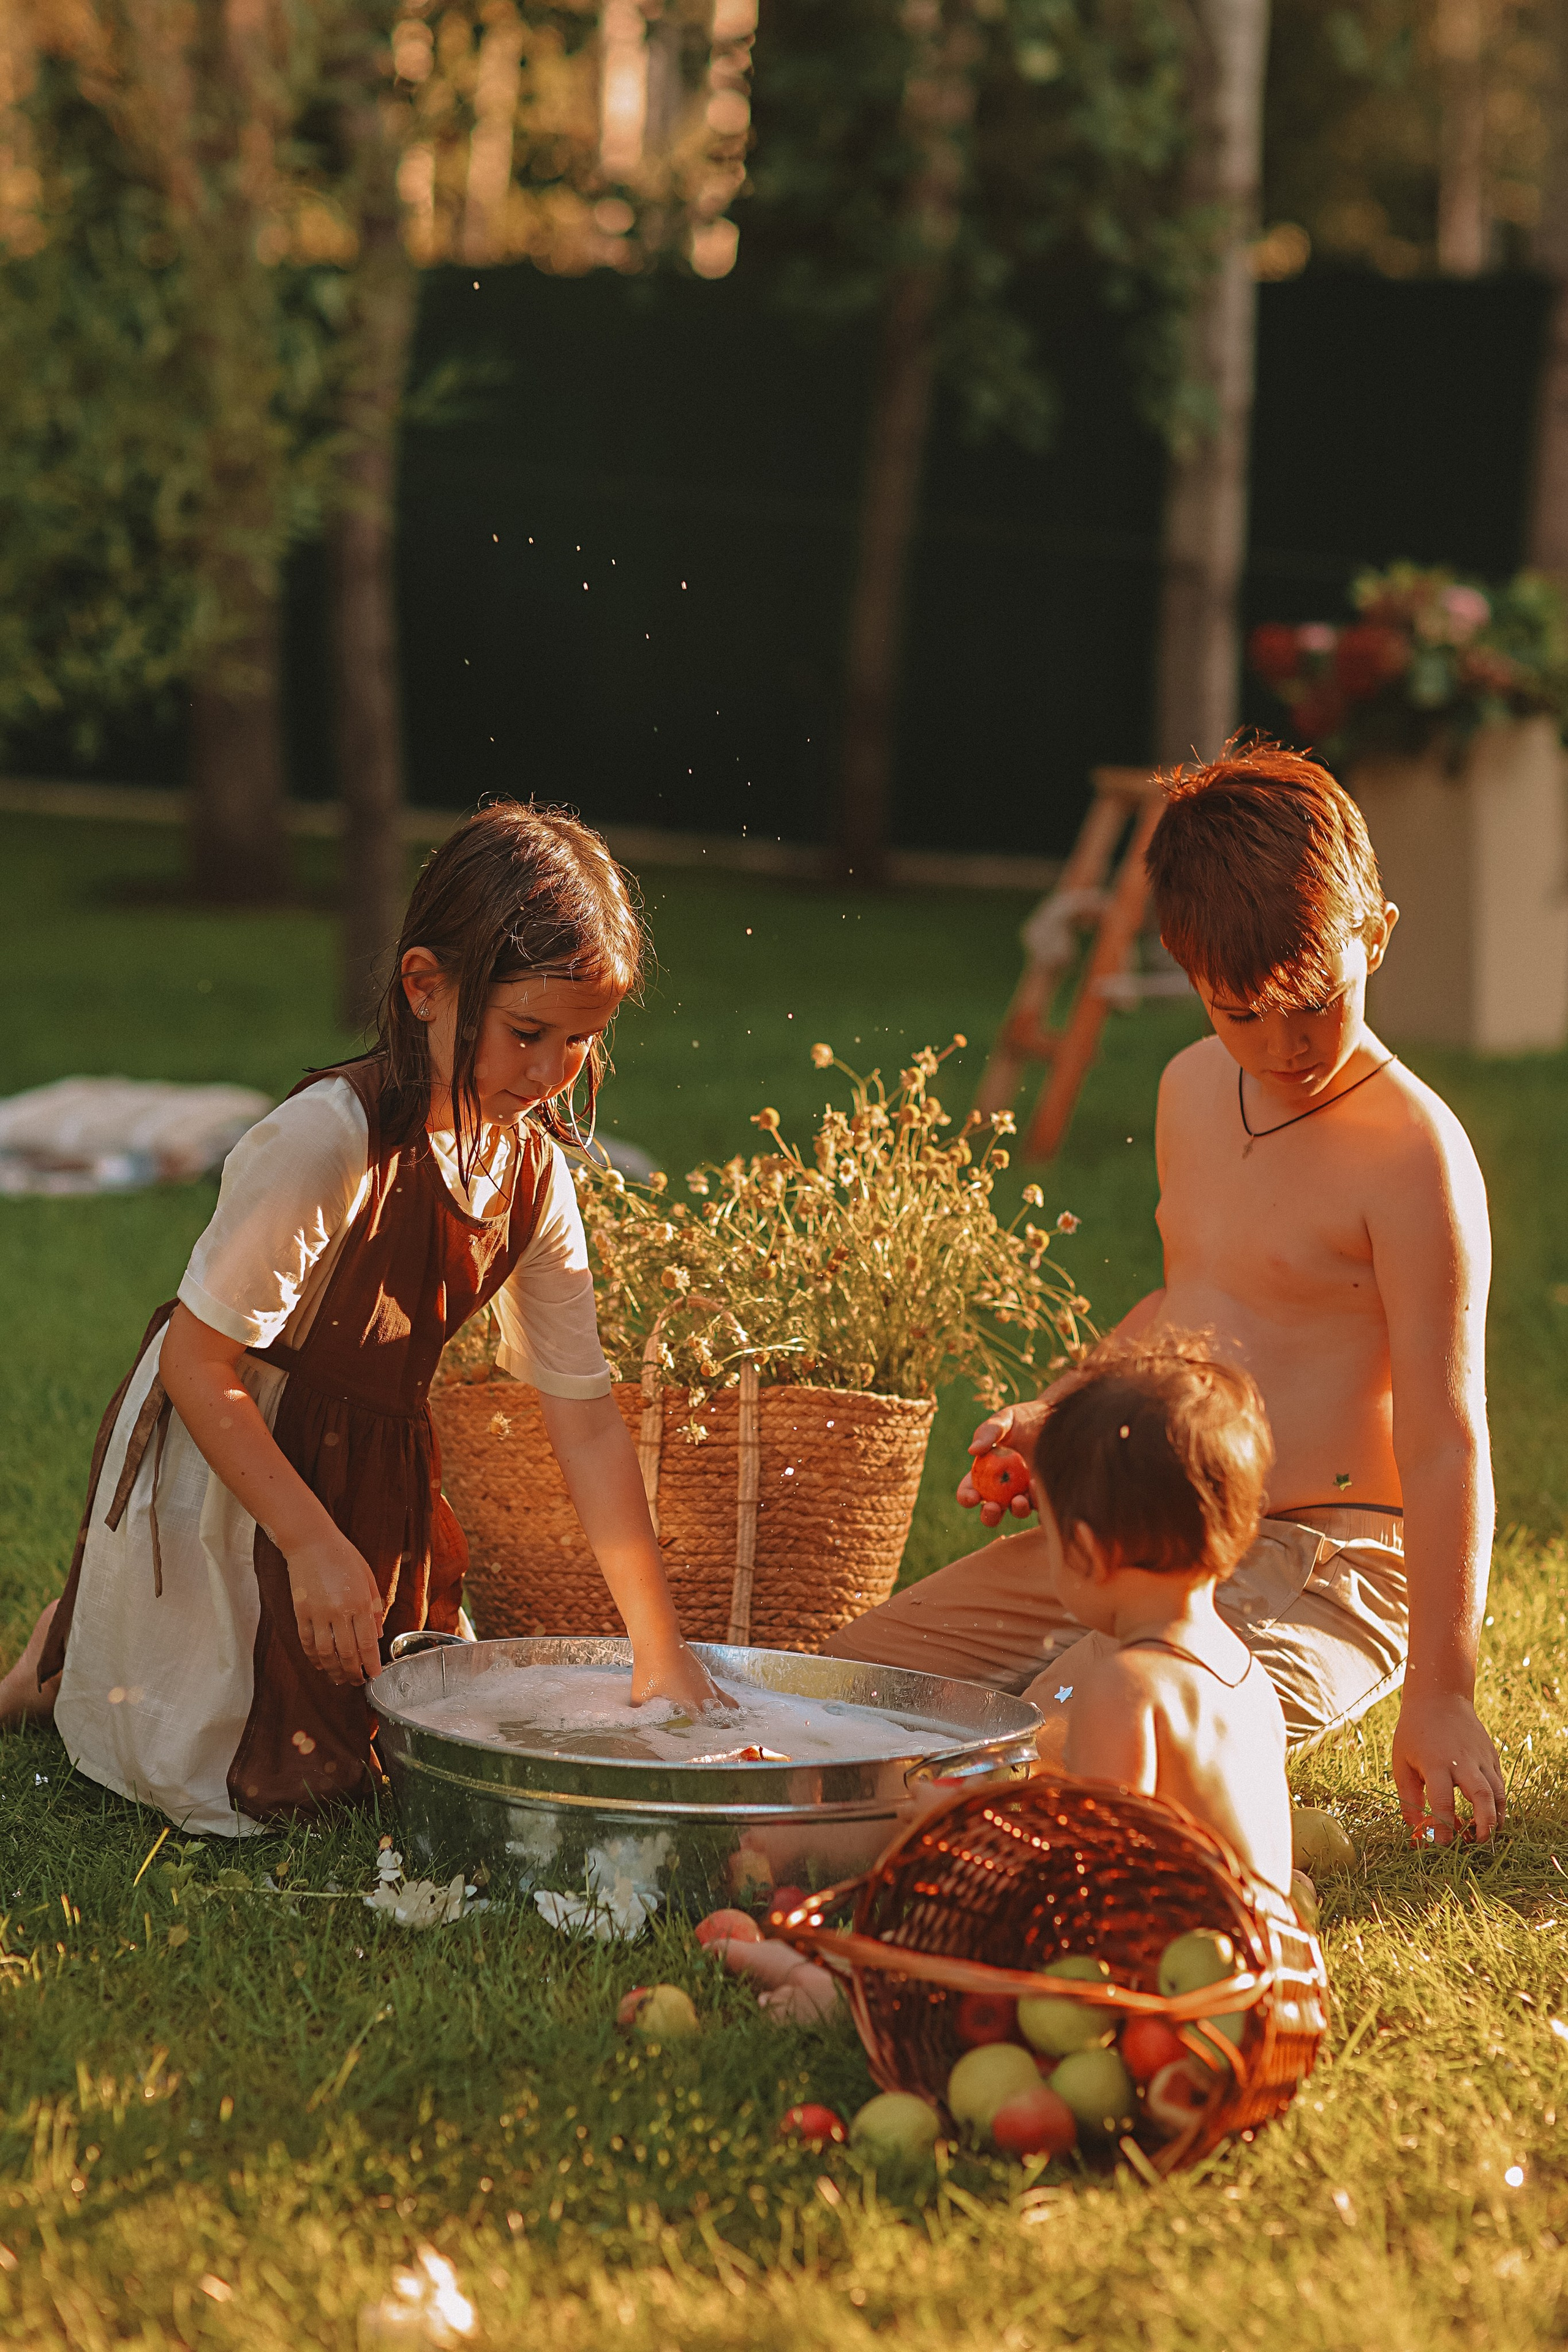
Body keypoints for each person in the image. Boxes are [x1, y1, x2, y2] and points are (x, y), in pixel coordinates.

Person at [827, 739, 1504, 1847]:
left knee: (1064, 1754)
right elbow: (1198, 1302)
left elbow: (1444, 1437)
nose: (1284, 1047)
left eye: (1315, 1003)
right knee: (846, 1691)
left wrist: (1443, 1687)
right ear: (1185, 973)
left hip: (1321, 1556)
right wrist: (1066, 1407)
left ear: (1375, 931)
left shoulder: (1411, 1153)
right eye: (1242, 1012)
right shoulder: (1193, 1088)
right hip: (1160, 1515)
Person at [0, 802, 724, 1831]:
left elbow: (587, 1416)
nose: (548, 1073)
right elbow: (200, 1367)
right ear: (425, 986)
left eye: (581, 1041)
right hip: (234, 1454)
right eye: (527, 1034)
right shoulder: (325, 1142)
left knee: (381, 1765)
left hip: (368, 1473)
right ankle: (71, 1652)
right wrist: (311, 1546)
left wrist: (660, 1643)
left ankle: (77, 1641)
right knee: (238, 1784)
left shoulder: (532, 1179)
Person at [1023, 1334, 1291, 1892]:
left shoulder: (1126, 1688)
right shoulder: (1244, 1673)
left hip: (1176, 1963)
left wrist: (970, 1837)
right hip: (1268, 1953)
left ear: (1086, 1550)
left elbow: (1096, 1881)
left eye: (1047, 1537)